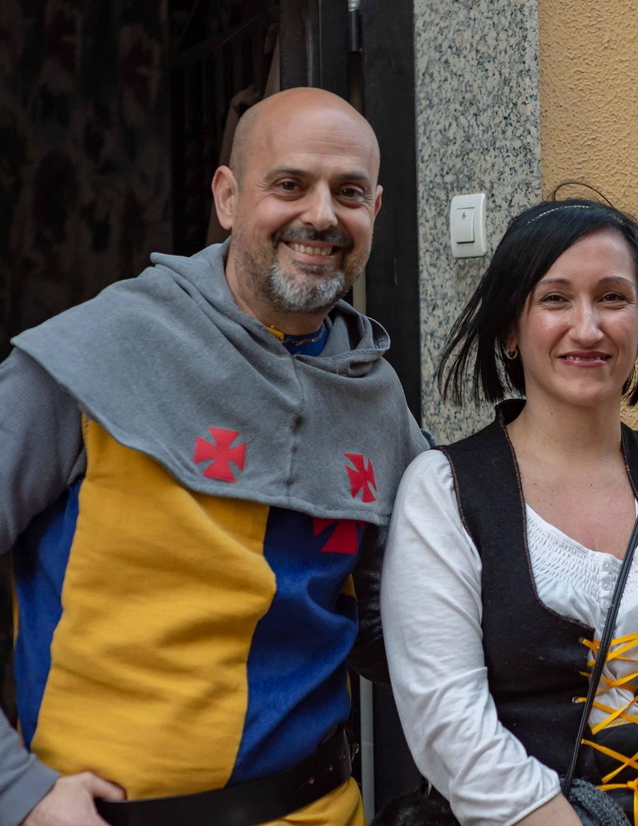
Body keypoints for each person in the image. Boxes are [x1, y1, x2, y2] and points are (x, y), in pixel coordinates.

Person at [0, 87, 427, 826]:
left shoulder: (377, 397)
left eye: (349, 192)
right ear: (227, 198)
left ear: (376, 210)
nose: (322, 215)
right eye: (289, 184)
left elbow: (392, 627)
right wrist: (19, 790)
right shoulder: (91, 354)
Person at [380, 198, 638, 826]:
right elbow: (449, 726)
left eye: (613, 298)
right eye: (555, 299)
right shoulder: (445, 493)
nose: (588, 327)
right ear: (510, 329)